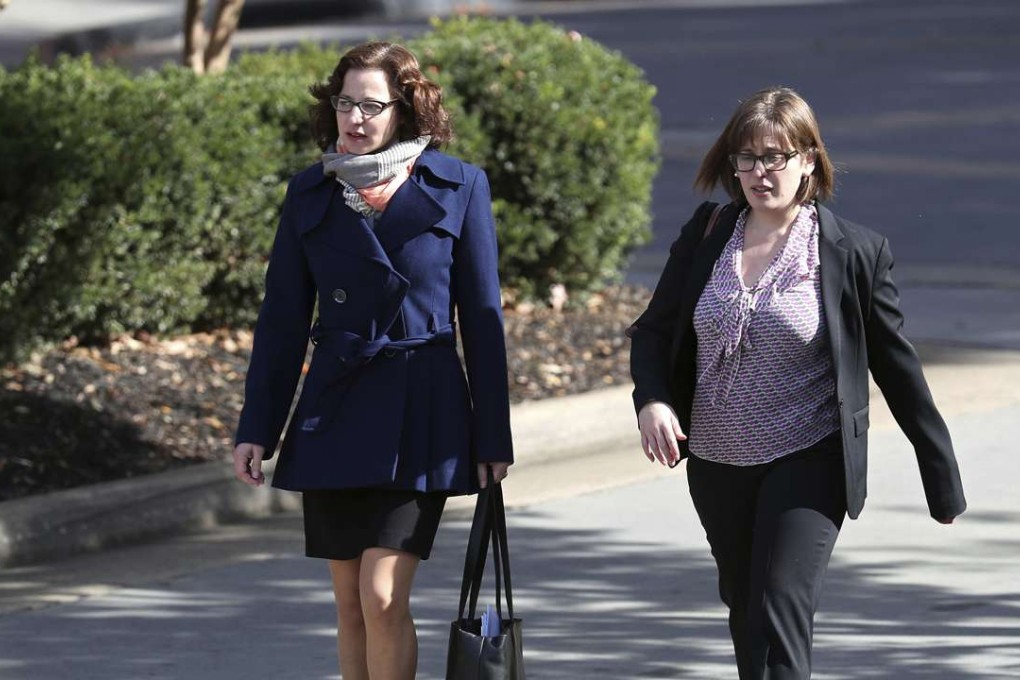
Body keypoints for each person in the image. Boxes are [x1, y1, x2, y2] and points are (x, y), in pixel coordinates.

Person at [628, 86, 966, 679]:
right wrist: (652, 400)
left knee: (778, 607)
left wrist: (940, 477)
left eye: (775, 157)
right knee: (745, 612)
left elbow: (898, 369)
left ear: (808, 159)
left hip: (808, 457)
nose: (759, 172)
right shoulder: (708, 234)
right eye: (747, 157)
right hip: (717, 461)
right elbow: (654, 331)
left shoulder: (851, 253)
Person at [231, 41, 513, 680]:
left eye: (371, 105)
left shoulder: (459, 186)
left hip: (423, 409)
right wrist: (258, 427)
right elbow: (281, 321)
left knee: (382, 595)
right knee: (350, 604)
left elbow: (482, 320)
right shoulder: (310, 192)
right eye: (345, 103)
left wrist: (492, 433)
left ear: (404, 110)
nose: (354, 118)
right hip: (334, 407)